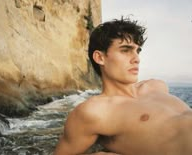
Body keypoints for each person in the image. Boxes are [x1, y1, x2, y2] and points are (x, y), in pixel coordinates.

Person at [53, 17, 192, 155]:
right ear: (100, 58)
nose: (137, 59)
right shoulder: (94, 111)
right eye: (126, 50)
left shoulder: (157, 86)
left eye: (138, 51)